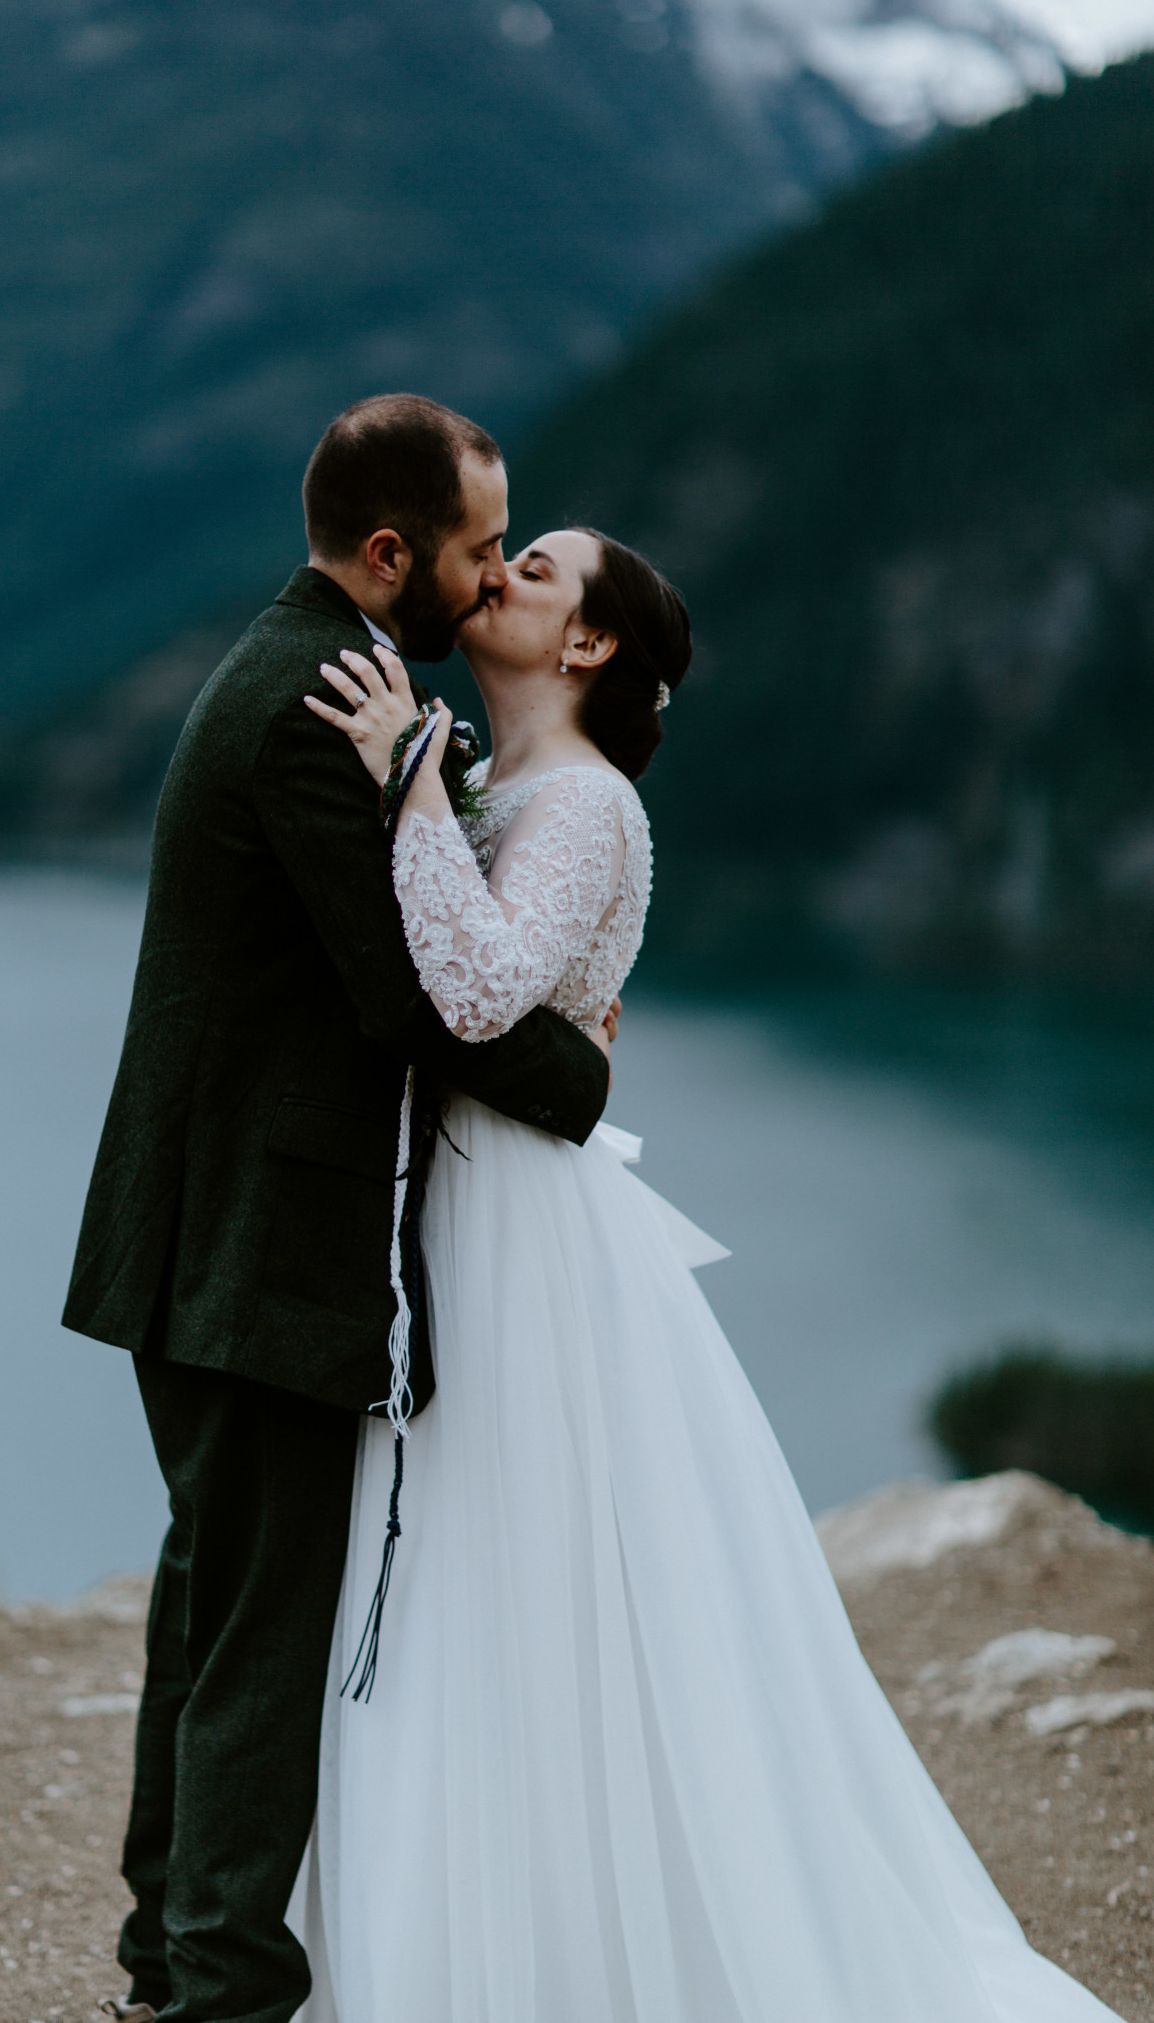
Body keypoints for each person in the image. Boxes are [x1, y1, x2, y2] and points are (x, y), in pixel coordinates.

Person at [292, 527, 1122, 2022]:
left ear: (589, 645)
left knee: (522, 1584)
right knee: (465, 1586)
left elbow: (480, 993)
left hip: (524, 1237)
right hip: (475, 1208)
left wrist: (409, 789)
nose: (499, 574)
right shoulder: (517, 785)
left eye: (533, 569)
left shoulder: (588, 805)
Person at [63, 398, 614, 2023]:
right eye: (467, 548)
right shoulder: (320, 705)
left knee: (210, 1605)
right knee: (260, 1637)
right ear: (390, 554)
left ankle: (171, 1961)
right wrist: (581, 1089)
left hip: (204, 1238)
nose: (484, 573)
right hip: (250, 1251)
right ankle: (223, 1991)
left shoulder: (312, 666)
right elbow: (404, 1002)